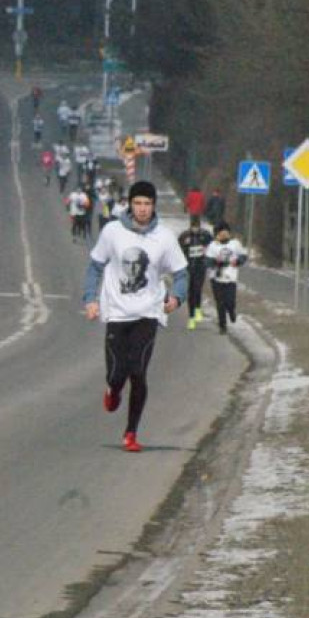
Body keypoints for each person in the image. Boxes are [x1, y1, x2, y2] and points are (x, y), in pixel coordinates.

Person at [82, 181, 188, 453]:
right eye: (138, 203)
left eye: (147, 204)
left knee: (138, 372)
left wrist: (176, 298)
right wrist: (91, 300)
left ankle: (130, 433)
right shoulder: (112, 232)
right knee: (117, 373)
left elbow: (181, 273)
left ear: (154, 206)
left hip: (148, 312)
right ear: (130, 204)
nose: (142, 209)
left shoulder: (164, 237)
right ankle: (113, 390)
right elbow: (95, 267)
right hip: (117, 313)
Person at [206, 221, 248, 334]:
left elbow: (243, 255)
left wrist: (238, 261)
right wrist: (216, 262)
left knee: (229, 301)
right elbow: (207, 261)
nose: (223, 235)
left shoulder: (235, 244)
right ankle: (222, 325)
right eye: (221, 233)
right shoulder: (213, 246)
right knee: (220, 303)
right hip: (216, 278)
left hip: (230, 277)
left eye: (226, 233)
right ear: (217, 235)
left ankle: (231, 311)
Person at [178, 215, 213, 329]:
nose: (195, 229)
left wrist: (206, 252)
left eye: (197, 226)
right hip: (188, 267)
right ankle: (191, 316)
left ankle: (198, 309)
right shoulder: (184, 236)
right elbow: (178, 249)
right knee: (191, 291)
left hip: (200, 266)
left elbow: (212, 246)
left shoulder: (205, 235)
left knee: (197, 288)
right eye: (193, 226)